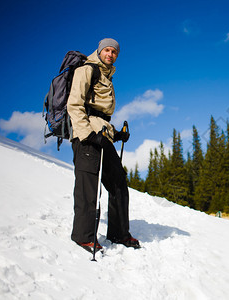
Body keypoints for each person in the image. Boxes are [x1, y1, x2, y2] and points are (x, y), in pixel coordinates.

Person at [67, 38, 140, 252]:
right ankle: (83, 236)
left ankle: (119, 233)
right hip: (87, 136)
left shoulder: (106, 77)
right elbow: (75, 104)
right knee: (88, 187)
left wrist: (116, 134)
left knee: (118, 182)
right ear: (99, 52)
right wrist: (87, 135)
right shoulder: (87, 69)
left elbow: (100, 114)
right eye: (107, 50)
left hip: (102, 134)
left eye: (114, 52)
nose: (110, 54)